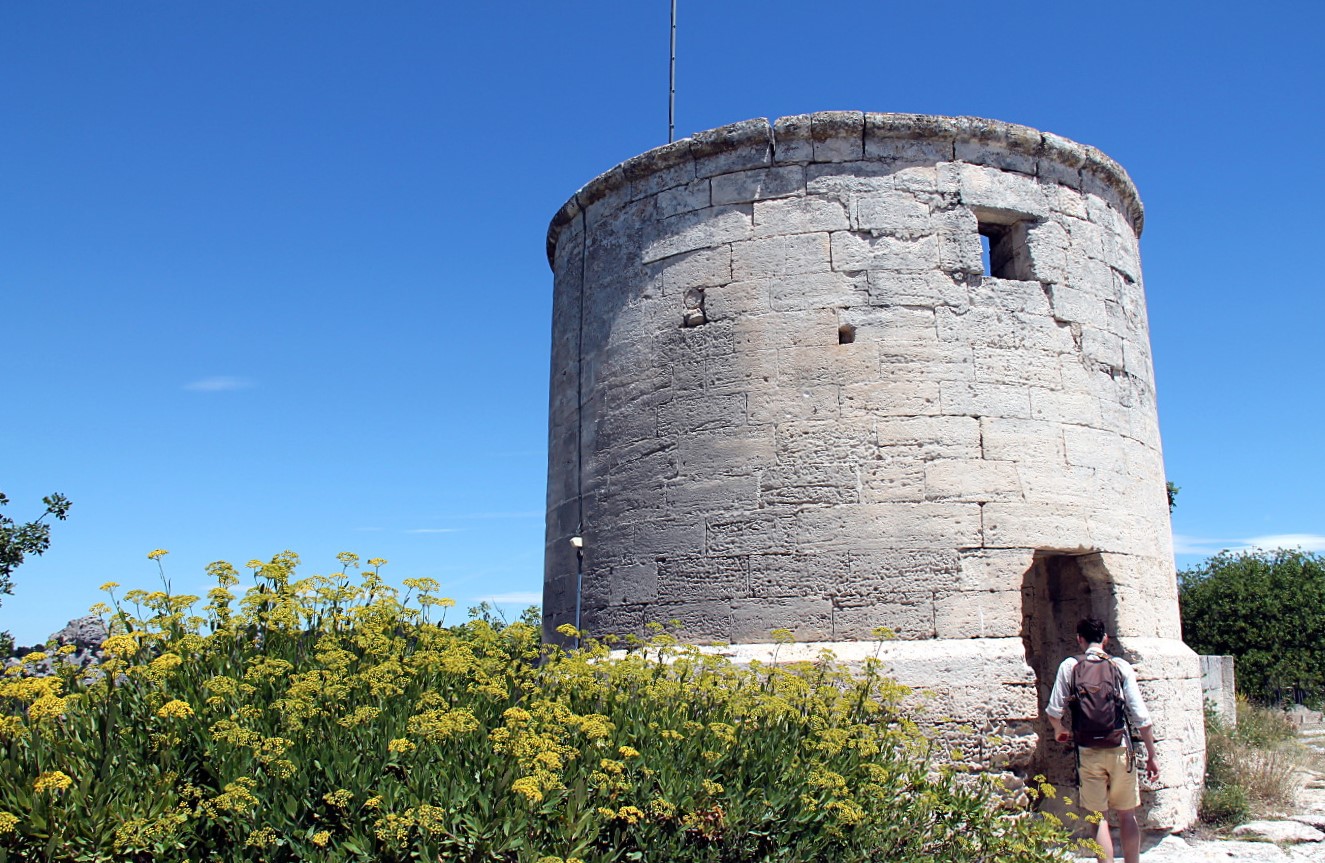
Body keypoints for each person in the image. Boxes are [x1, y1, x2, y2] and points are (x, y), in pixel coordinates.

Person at [1046, 618, 1160, 863]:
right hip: (1120, 748)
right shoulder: (1120, 666)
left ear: (1080, 639)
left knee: (1098, 819)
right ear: (1105, 639)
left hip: (1088, 751)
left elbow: (1053, 710)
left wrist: (1059, 730)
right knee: (1127, 816)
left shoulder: (1070, 665)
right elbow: (1142, 717)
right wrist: (1152, 755)